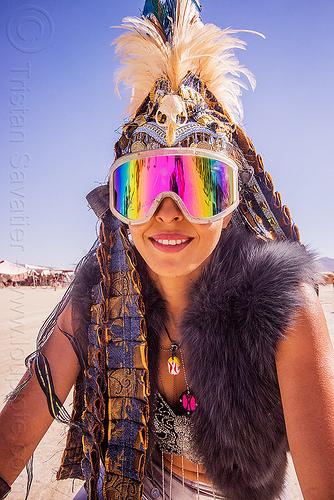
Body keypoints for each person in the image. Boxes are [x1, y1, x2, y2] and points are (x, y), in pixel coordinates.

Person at [1, 1, 334, 499]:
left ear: (232, 202)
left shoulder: (283, 312)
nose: (168, 211)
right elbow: (12, 442)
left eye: (201, 184)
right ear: (118, 206)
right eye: (143, 185)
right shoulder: (102, 296)